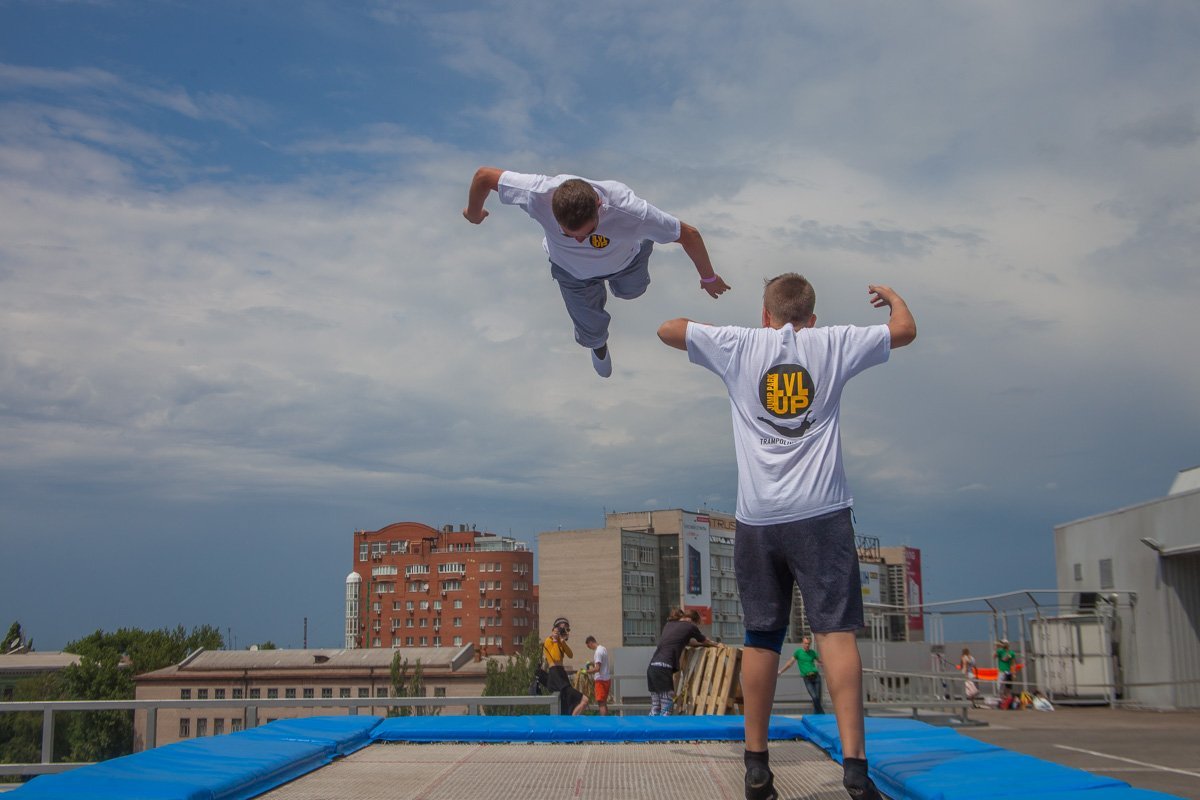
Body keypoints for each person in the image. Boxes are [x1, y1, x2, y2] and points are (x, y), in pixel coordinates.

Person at [658, 274, 916, 800]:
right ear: (812, 318)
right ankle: (856, 772)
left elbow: (668, 329)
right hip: (822, 515)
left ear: (765, 314)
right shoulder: (833, 343)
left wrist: (727, 335)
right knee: (835, 636)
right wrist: (892, 300)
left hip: (758, 519)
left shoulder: (740, 345)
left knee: (761, 637)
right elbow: (905, 330)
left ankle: (756, 768)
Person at [463, 167, 731, 377]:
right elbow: (484, 176)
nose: (580, 241)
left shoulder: (629, 210)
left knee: (631, 292)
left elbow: (689, 234)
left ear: (599, 207)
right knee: (590, 330)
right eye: (570, 234)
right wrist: (474, 212)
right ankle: (598, 345)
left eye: (588, 233)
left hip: (627, 262)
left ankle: (645, 241)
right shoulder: (537, 193)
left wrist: (708, 278)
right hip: (572, 272)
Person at [646, 608, 719, 716]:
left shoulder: (669, 624)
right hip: (664, 667)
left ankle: (650, 730)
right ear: (693, 621)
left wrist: (699, 644)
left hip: (652, 667)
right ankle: (664, 732)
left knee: (656, 706)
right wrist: (716, 644)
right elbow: (704, 640)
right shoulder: (690, 626)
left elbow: (687, 642)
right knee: (666, 706)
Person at [543, 617, 589, 716]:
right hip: (555, 675)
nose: (567, 632)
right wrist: (555, 641)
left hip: (561, 674)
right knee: (584, 700)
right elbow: (556, 657)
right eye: (564, 629)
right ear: (556, 629)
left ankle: (569, 722)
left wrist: (562, 642)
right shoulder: (549, 640)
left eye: (568, 630)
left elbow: (570, 655)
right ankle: (572, 722)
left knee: (566, 706)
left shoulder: (561, 642)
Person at [778, 635, 825, 714]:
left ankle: (817, 715)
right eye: (805, 643)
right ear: (802, 643)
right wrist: (780, 671)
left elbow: (820, 662)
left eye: (808, 644)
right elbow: (790, 663)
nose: (807, 645)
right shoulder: (798, 652)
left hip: (816, 677)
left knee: (817, 699)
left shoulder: (812, 653)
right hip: (807, 678)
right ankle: (822, 714)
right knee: (814, 697)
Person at [585, 635, 612, 716]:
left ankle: (603, 721)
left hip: (600, 680)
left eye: (588, 646)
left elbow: (597, 668)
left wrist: (586, 671)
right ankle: (607, 720)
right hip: (607, 679)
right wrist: (591, 663)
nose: (589, 648)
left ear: (591, 642)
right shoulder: (603, 649)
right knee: (604, 702)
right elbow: (600, 662)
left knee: (601, 703)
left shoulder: (597, 652)